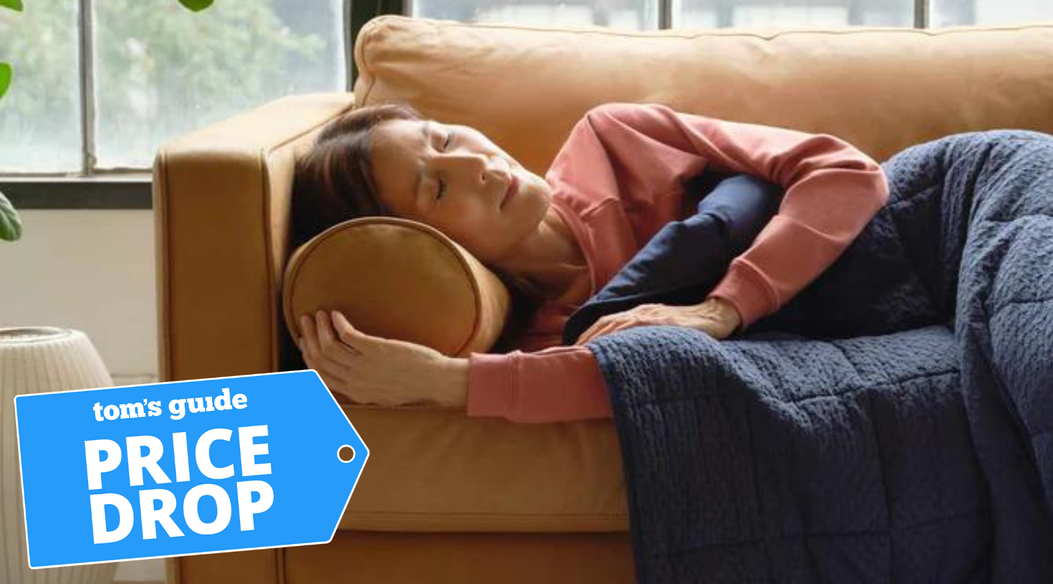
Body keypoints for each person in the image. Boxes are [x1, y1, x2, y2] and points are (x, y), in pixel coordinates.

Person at [291, 101, 891, 423]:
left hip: (930, 215)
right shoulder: (541, 337)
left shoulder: (614, 141)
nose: (474, 166)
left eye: (445, 139)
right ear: (424, 249)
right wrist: (438, 381)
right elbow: (617, 385)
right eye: (438, 189)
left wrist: (722, 309)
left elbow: (846, 172)